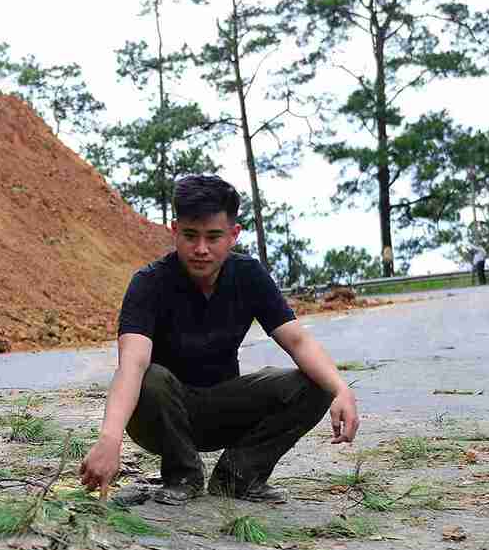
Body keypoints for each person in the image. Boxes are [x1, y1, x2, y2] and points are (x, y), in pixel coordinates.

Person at [79, 174, 359, 505]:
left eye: (213, 237)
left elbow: (298, 341)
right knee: (150, 376)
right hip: (160, 416)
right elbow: (132, 364)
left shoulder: (249, 276)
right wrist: (110, 439)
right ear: (174, 230)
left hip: (224, 409)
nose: (201, 249)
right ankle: (183, 474)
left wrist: (341, 389)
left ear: (233, 235)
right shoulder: (149, 283)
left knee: (317, 383)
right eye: (190, 236)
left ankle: (238, 477)